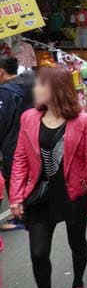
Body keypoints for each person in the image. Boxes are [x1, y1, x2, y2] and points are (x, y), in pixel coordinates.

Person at [9, 67, 87, 288]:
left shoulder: (84, 122)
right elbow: (20, 159)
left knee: (77, 242)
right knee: (38, 253)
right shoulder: (28, 118)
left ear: (56, 89)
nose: (35, 88)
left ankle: (77, 282)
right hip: (40, 195)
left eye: (41, 84)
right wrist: (16, 195)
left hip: (73, 193)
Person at [0, 55, 33, 231]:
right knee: (28, 177)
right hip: (31, 140)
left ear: (1, 72)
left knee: (14, 178)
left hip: (13, 143)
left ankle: (21, 217)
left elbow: (2, 121)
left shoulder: (5, 92)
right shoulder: (27, 85)